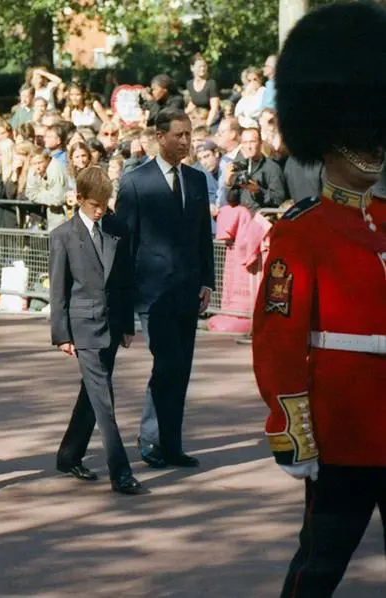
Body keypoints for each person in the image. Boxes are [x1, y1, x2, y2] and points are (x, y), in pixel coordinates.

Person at [251, 4, 386, 595]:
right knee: (319, 567)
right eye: (361, 137)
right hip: (344, 428)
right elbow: (279, 339)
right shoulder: (301, 231)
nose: (373, 148)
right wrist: (292, 426)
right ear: (330, 142)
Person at [115, 108, 215, 469]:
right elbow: (125, 244)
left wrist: (208, 281)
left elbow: (204, 235)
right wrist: (124, 300)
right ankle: (150, 436)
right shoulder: (135, 181)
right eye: (179, 135)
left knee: (182, 367)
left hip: (189, 290)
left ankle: (171, 444)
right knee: (169, 361)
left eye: (189, 134)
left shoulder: (196, 180)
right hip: (152, 294)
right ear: (160, 137)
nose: (186, 141)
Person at [50, 167, 144, 495]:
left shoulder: (117, 228)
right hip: (83, 327)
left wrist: (128, 325)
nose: (101, 210)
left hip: (113, 324)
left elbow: (125, 280)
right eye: (94, 205)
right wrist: (61, 335)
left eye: (105, 204)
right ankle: (120, 471)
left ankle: (69, 454)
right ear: (79, 200)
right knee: (104, 398)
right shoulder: (62, 235)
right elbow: (59, 290)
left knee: (91, 395)